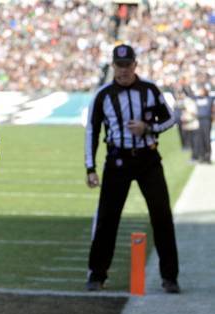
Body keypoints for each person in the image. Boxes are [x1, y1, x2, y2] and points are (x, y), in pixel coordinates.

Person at [84, 44, 180, 294]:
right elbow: (92, 131)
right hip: (117, 161)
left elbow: (170, 118)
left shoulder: (149, 90)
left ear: (135, 65)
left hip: (148, 159)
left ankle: (170, 277)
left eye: (127, 65)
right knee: (107, 218)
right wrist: (90, 167)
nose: (123, 70)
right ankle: (97, 274)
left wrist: (149, 129)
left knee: (162, 217)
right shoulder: (103, 95)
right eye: (119, 65)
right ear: (113, 65)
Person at [193, 86, 213, 164]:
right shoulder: (197, 98)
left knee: (206, 139)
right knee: (200, 139)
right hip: (198, 121)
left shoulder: (209, 98)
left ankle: (208, 157)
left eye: (201, 91)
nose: (200, 93)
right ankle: (202, 156)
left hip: (206, 121)